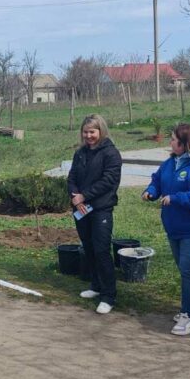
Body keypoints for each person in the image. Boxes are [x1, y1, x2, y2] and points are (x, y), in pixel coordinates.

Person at [142, 124, 190, 336]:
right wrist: (151, 191)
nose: (170, 142)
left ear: (187, 143)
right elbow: (158, 179)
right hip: (175, 226)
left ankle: (188, 315)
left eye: (174, 139)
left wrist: (176, 198)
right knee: (188, 269)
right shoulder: (172, 162)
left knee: (188, 269)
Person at [67, 114, 123, 314]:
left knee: (101, 250)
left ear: (101, 131)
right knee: (89, 248)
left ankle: (109, 296)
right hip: (81, 209)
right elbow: (72, 177)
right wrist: (75, 196)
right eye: (85, 132)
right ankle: (96, 285)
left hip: (101, 209)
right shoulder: (80, 153)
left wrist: (85, 196)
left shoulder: (111, 154)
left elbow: (108, 181)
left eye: (92, 132)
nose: (88, 136)